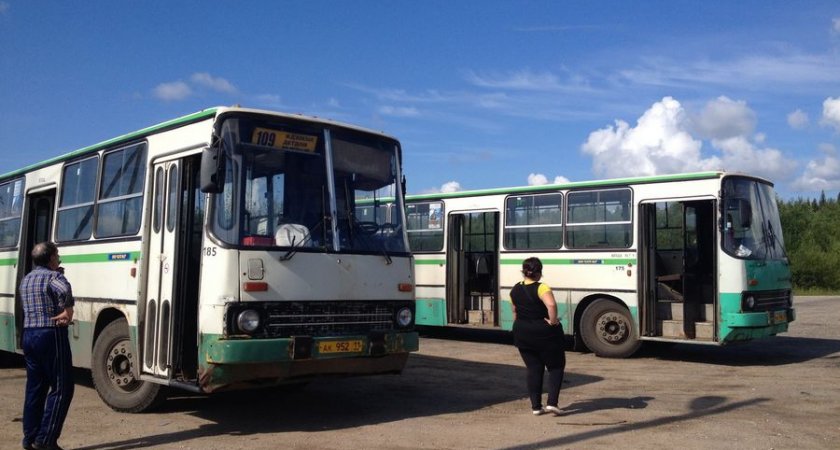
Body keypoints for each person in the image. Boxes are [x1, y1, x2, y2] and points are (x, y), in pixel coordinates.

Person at [20, 242, 74, 450]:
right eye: (57, 254)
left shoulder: (26, 279)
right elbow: (63, 289)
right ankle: (45, 440)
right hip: (50, 334)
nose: (59, 258)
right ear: (51, 257)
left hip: (29, 336)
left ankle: (30, 437)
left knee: (35, 388)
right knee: (62, 388)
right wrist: (68, 312)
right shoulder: (55, 277)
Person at [510, 257, 565, 416]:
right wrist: (553, 322)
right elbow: (552, 305)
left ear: (524, 272)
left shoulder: (515, 289)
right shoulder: (542, 287)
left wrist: (519, 327)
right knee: (556, 366)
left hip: (521, 332)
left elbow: (514, 311)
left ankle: (536, 407)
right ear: (539, 272)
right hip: (543, 333)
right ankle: (552, 403)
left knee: (533, 368)